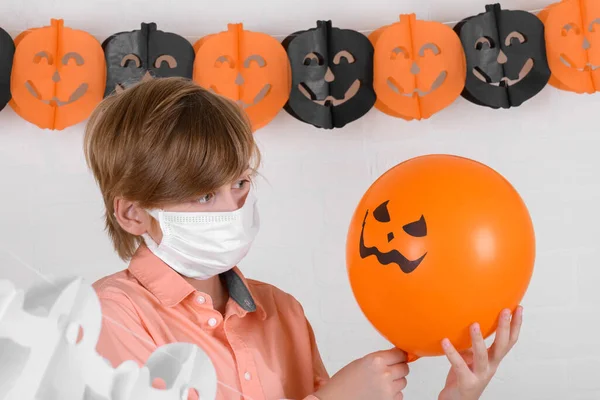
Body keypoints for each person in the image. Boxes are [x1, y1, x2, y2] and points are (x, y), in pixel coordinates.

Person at [85, 77, 523, 400]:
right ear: (133, 213)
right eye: (203, 195)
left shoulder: (282, 313)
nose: (232, 208)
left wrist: (458, 396)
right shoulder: (109, 317)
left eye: (239, 184)